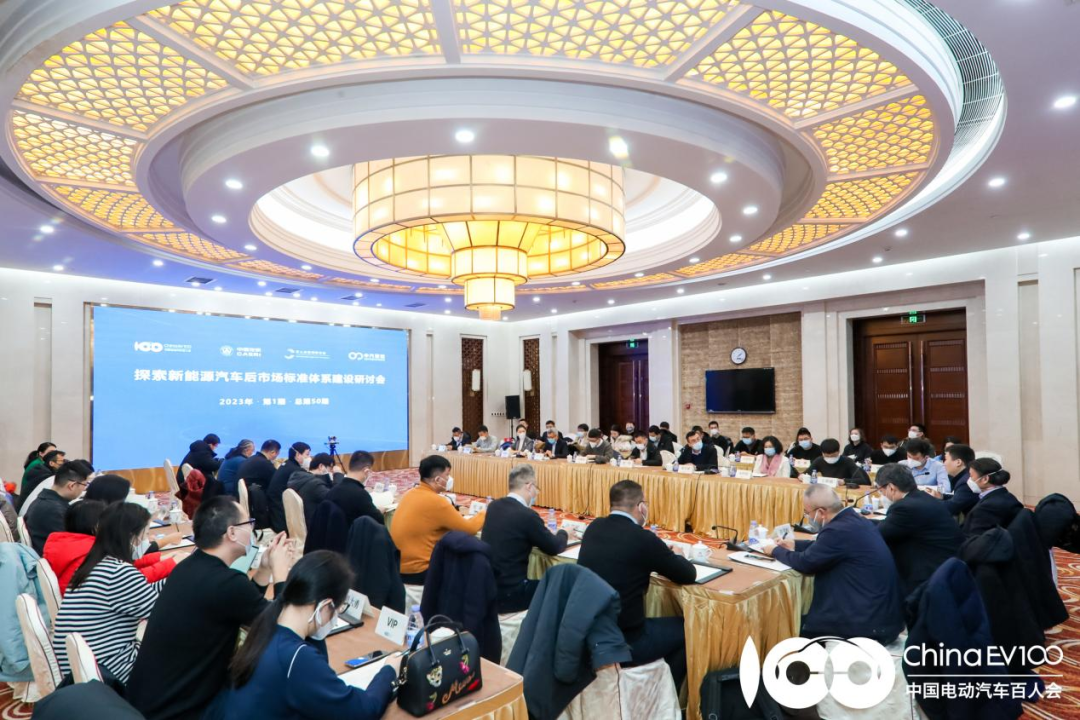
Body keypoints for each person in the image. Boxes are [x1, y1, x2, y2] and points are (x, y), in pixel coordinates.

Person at [126, 497, 292, 720]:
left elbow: (245, 607)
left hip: (150, 701)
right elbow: (285, 626)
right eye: (248, 524)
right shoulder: (227, 583)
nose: (252, 530)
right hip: (183, 710)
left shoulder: (189, 566)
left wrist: (264, 570)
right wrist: (281, 573)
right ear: (232, 533)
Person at [207, 552, 396, 720]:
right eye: (339, 609)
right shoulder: (296, 658)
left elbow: (321, 670)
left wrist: (317, 632)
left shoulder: (267, 625)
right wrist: (389, 671)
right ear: (325, 606)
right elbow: (363, 711)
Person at [578, 480, 695, 689]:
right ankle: (666, 694)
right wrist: (678, 555)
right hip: (628, 641)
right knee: (687, 629)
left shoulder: (593, 527)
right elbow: (687, 574)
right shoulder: (643, 538)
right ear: (641, 507)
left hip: (590, 632)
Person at [763, 485, 903, 643]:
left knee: (795, 632)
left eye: (807, 513)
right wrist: (794, 545)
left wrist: (775, 550)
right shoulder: (855, 519)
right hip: (882, 615)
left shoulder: (837, 530)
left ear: (821, 512)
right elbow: (827, 547)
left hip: (864, 623)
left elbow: (806, 563)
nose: (808, 517)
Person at [52, 502, 165, 684]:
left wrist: (175, 580)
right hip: (111, 673)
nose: (147, 541)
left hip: (86, 666)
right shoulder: (119, 573)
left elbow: (143, 593)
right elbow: (164, 616)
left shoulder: (94, 564)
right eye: (145, 534)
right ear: (131, 536)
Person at [481, 465, 569, 612]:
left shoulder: (494, 506)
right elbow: (554, 547)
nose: (536, 493)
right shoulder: (527, 515)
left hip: (487, 588)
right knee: (564, 586)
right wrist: (564, 532)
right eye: (536, 488)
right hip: (512, 593)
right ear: (529, 486)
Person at [44, 500, 176, 595]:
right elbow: (130, 580)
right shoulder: (91, 552)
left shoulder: (73, 544)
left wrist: (160, 558)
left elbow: (127, 565)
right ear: (96, 527)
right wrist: (171, 564)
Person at [390, 455, 485, 584]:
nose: (449, 479)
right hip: (420, 570)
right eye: (447, 475)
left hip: (398, 567)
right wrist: (484, 513)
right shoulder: (436, 501)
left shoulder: (409, 494)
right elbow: (470, 529)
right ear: (437, 479)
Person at [873, 464, 963, 597]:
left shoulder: (905, 507)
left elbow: (878, 535)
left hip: (928, 574)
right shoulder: (920, 497)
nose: (882, 494)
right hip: (948, 564)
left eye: (880, 490)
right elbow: (890, 525)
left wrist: (857, 525)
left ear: (891, 488)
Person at [25, 460, 90, 554]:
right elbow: (70, 548)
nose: (84, 489)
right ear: (72, 485)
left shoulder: (43, 501)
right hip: (51, 558)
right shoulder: (55, 511)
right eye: (85, 485)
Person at [962, 458, 1023, 538]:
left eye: (971, 476)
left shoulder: (987, 507)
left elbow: (977, 539)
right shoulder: (1006, 496)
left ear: (985, 479)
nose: (969, 480)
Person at [324, 450, 384, 527]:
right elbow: (378, 521)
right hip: (354, 533)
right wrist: (380, 512)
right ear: (366, 471)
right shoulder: (360, 494)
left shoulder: (332, 491)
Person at [287, 452, 342, 528]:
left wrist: (327, 477)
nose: (331, 471)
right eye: (330, 468)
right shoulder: (315, 485)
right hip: (315, 526)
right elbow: (336, 497)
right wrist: (338, 475)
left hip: (303, 523)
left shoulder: (301, 478)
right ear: (321, 466)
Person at [268, 442, 311, 533]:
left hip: (274, 510)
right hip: (281, 515)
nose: (309, 458)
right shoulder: (295, 471)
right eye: (307, 454)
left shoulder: (287, 464)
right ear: (298, 454)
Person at [936, 443, 979, 517]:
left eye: (945, 459)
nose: (943, 463)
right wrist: (942, 496)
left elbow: (950, 508)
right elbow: (958, 498)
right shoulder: (965, 476)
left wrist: (928, 502)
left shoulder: (966, 482)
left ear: (958, 462)